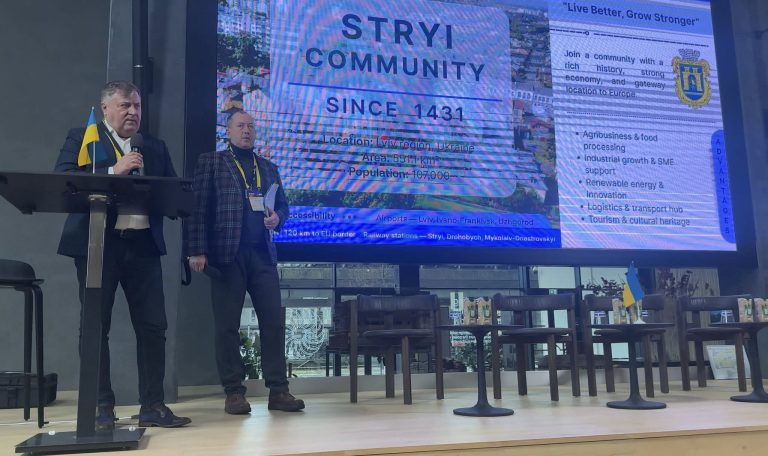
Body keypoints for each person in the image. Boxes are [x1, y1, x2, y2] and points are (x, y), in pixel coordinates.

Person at [55, 80, 190, 430]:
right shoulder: (83, 138)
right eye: (125, 105)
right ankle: (101, 407)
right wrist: (115, 171)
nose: (133, 112)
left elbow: (172, 190)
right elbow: (64, 180)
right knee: (95, 326)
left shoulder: (153, 146)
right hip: (99, 245)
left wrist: (178, 200)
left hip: (143, 246)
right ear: (106, 109)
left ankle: (153, 405)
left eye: (137, 106)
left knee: (153, 326)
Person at [187, 109, 304, 414]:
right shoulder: (212, 162)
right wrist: (196, 250)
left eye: (251, 126)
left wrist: (278, 219)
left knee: (273, 323)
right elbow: (197, 208)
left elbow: (283, 206)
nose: (247, 131)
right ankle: (234, 392)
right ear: (228, 131)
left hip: (262, 254)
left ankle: (279, 391)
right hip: (227, 254)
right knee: (227, 326)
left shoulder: (268, 167)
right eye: (240, 126)